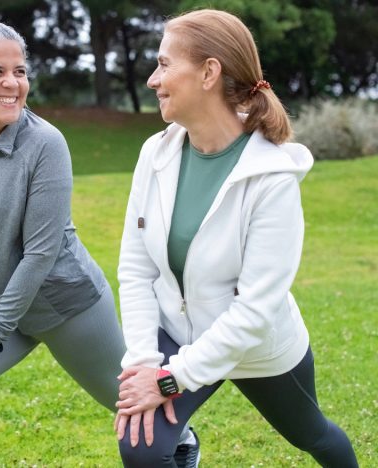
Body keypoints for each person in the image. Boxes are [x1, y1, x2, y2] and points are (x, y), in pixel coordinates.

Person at [0, 21, 196, 468]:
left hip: (68, 307)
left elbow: (40, 254)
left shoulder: (46, 144)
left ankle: (184, 440)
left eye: (20, 71)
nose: (12, 83)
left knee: (135, 406)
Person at [114, 9, 358, 468]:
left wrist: (170, 380)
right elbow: (136, 267)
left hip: (255, 348)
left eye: (165, 64)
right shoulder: (156, 153)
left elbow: (255, 310)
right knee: (142, 449)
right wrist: (147, 360)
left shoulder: (272, 176)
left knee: (316, 436)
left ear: (209, 72)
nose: (152, 79)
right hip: (176, 335)